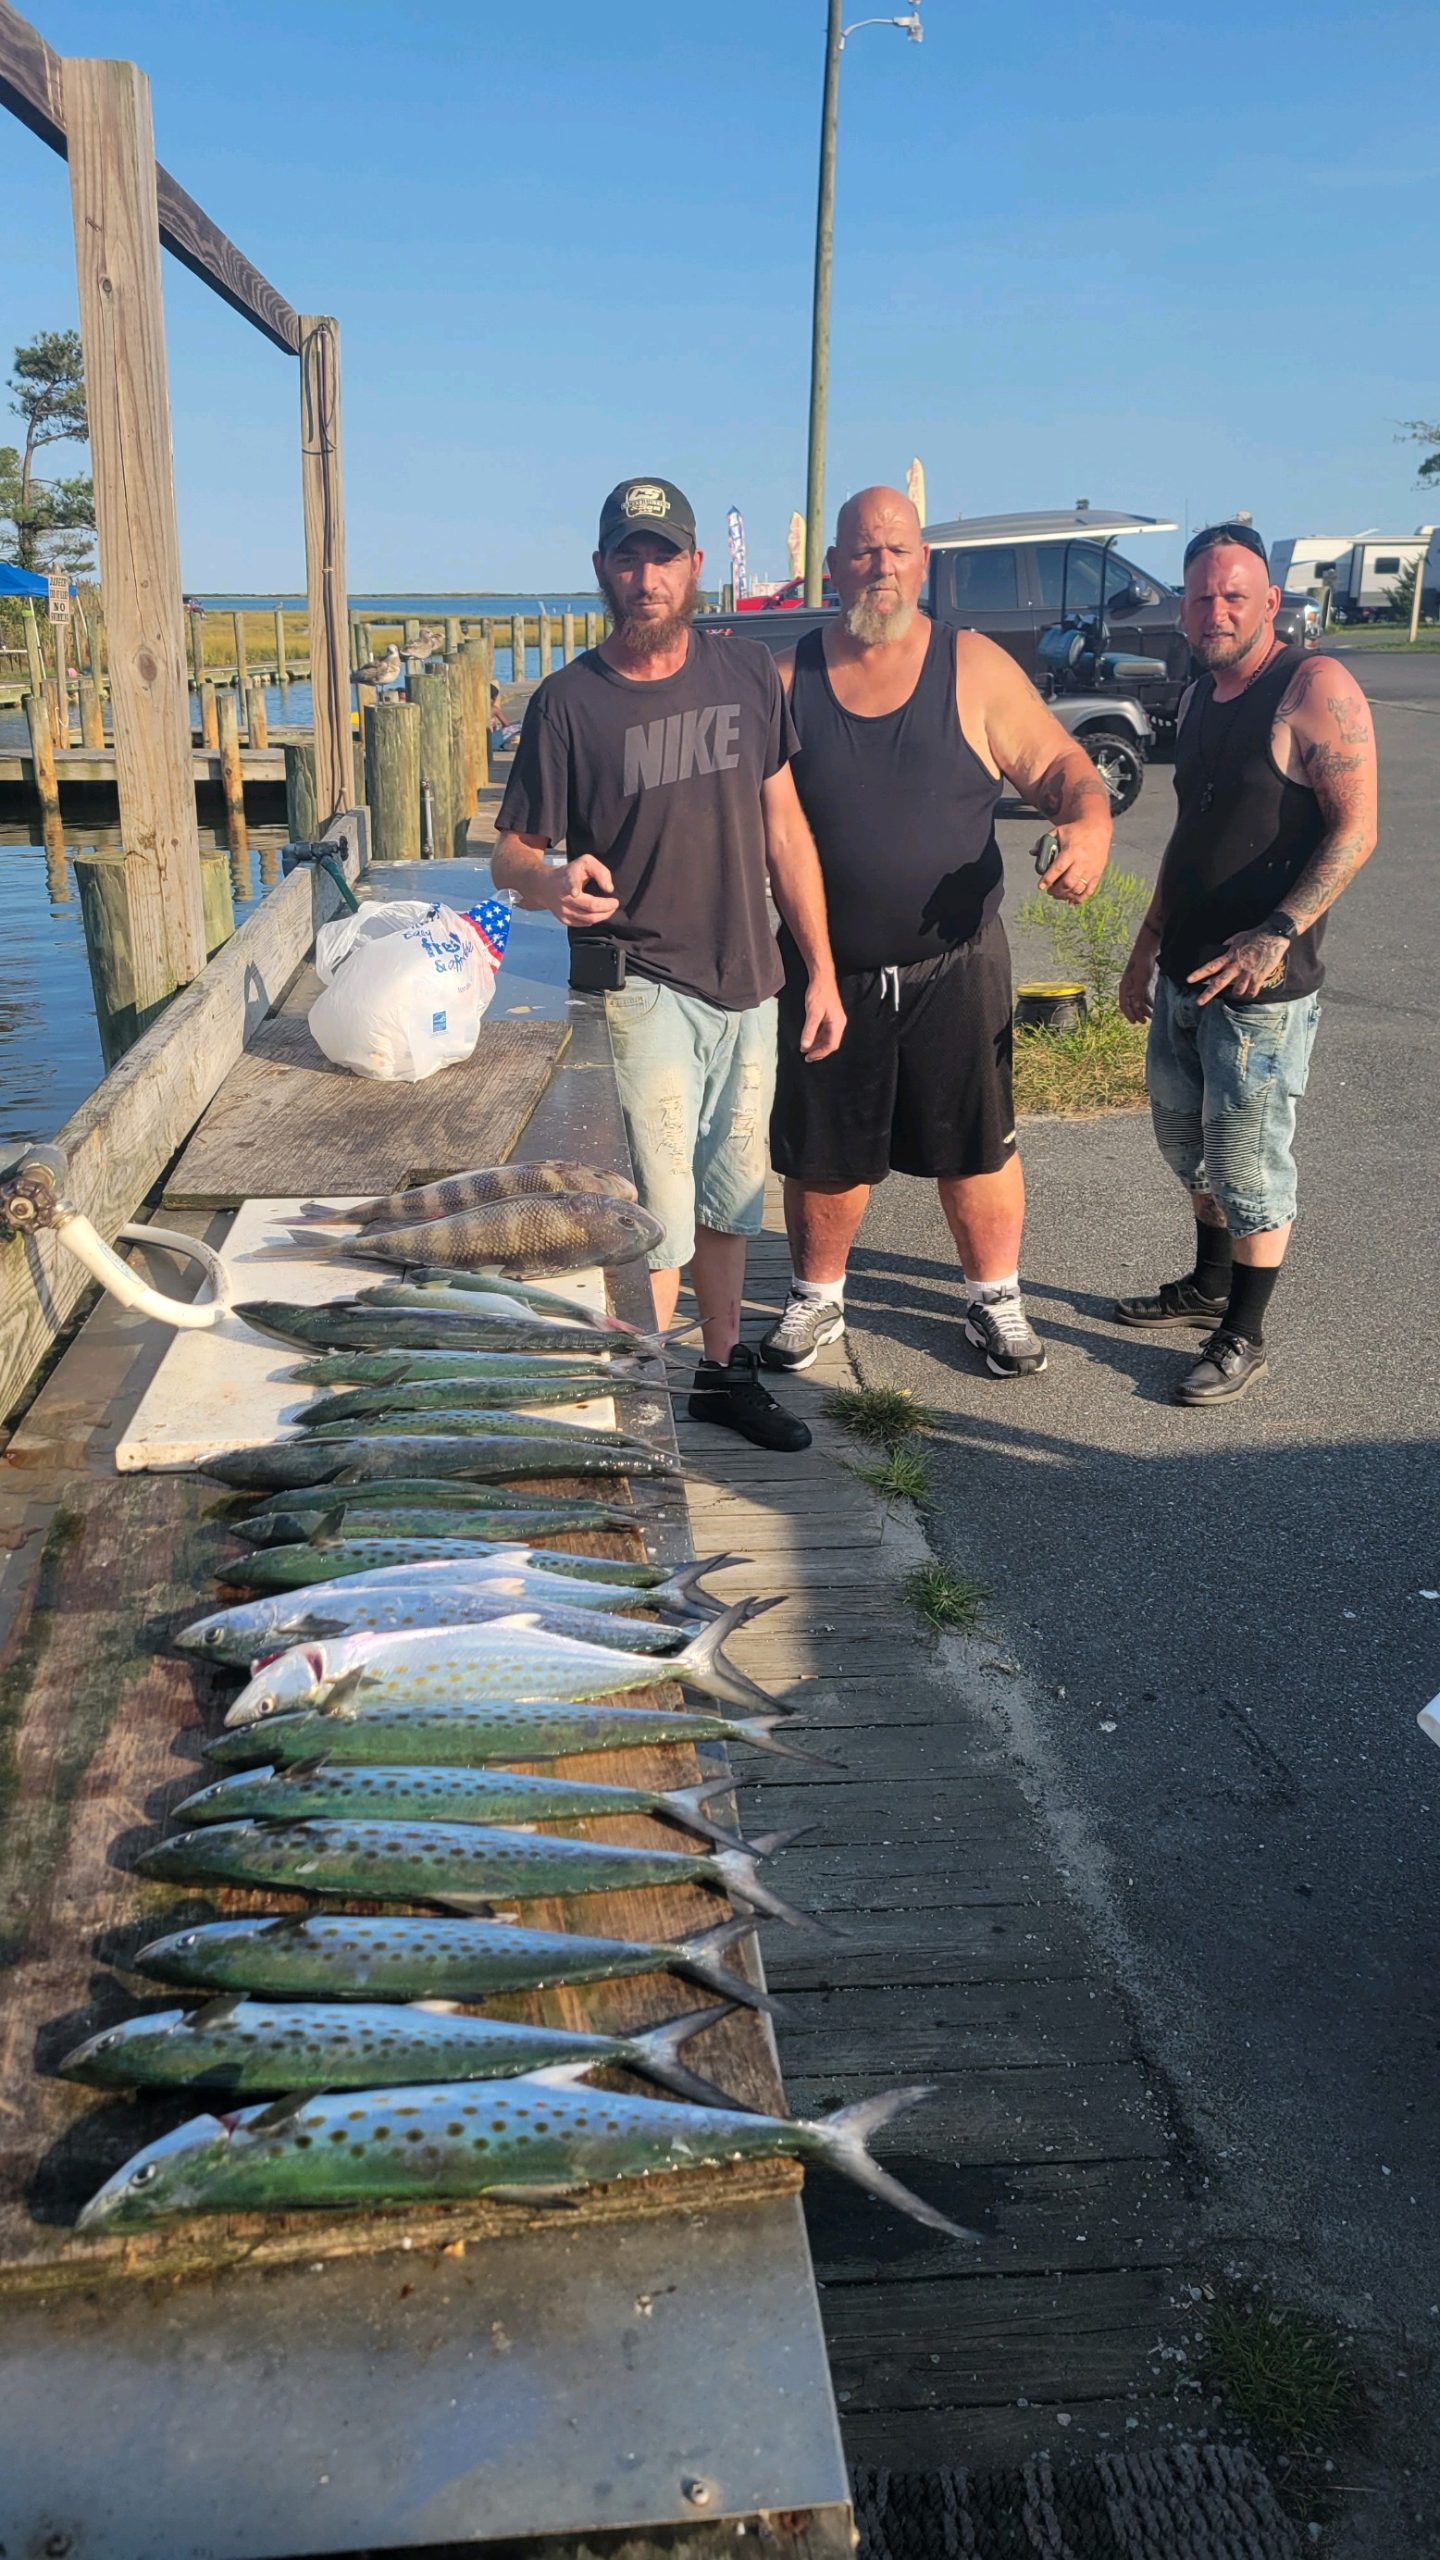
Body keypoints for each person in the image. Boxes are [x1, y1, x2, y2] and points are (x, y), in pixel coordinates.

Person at [492, 476, 846, 1450]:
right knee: (654, 1211)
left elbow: (786, 828)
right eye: (627, 558)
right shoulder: (568, 703)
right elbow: (510, 855)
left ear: (694, 568)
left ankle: (722, 1373)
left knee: (733, 1197)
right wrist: (549, 881)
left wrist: (819, 969)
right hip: (639, 988)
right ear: (601, 569)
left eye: (662, 558)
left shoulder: (747, 675)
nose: (645, 578)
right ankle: (637, 1405)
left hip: (750, 981)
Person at [760, 485, 1113, 1382]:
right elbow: (747, 817)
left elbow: (1059, 764)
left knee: (977, 1141)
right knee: (824, 1148)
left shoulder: (973, 666)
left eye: (897, 550)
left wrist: (1088, 822)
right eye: (862, 550)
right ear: (833, 566)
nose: (880, 567)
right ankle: (816, 1296)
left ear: (923, 563)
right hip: (828, 965)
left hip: (956, 960)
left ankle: (995, 1297)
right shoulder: (787, 682)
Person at [1113, 522, 1378, 1404]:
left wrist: (1278, 930)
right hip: (1184, 970)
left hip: (1263, 988)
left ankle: (1244, 1332)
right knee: (1185, 1143)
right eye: (1200, 597)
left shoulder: (1314, 688)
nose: (1215, 611)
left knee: (1247, 1161)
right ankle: (1208, 1283)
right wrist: (1146, 943)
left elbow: (1356, 829)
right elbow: (1191, 836)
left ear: (1271, 601)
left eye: (1233, 596)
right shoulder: (1199, 698)